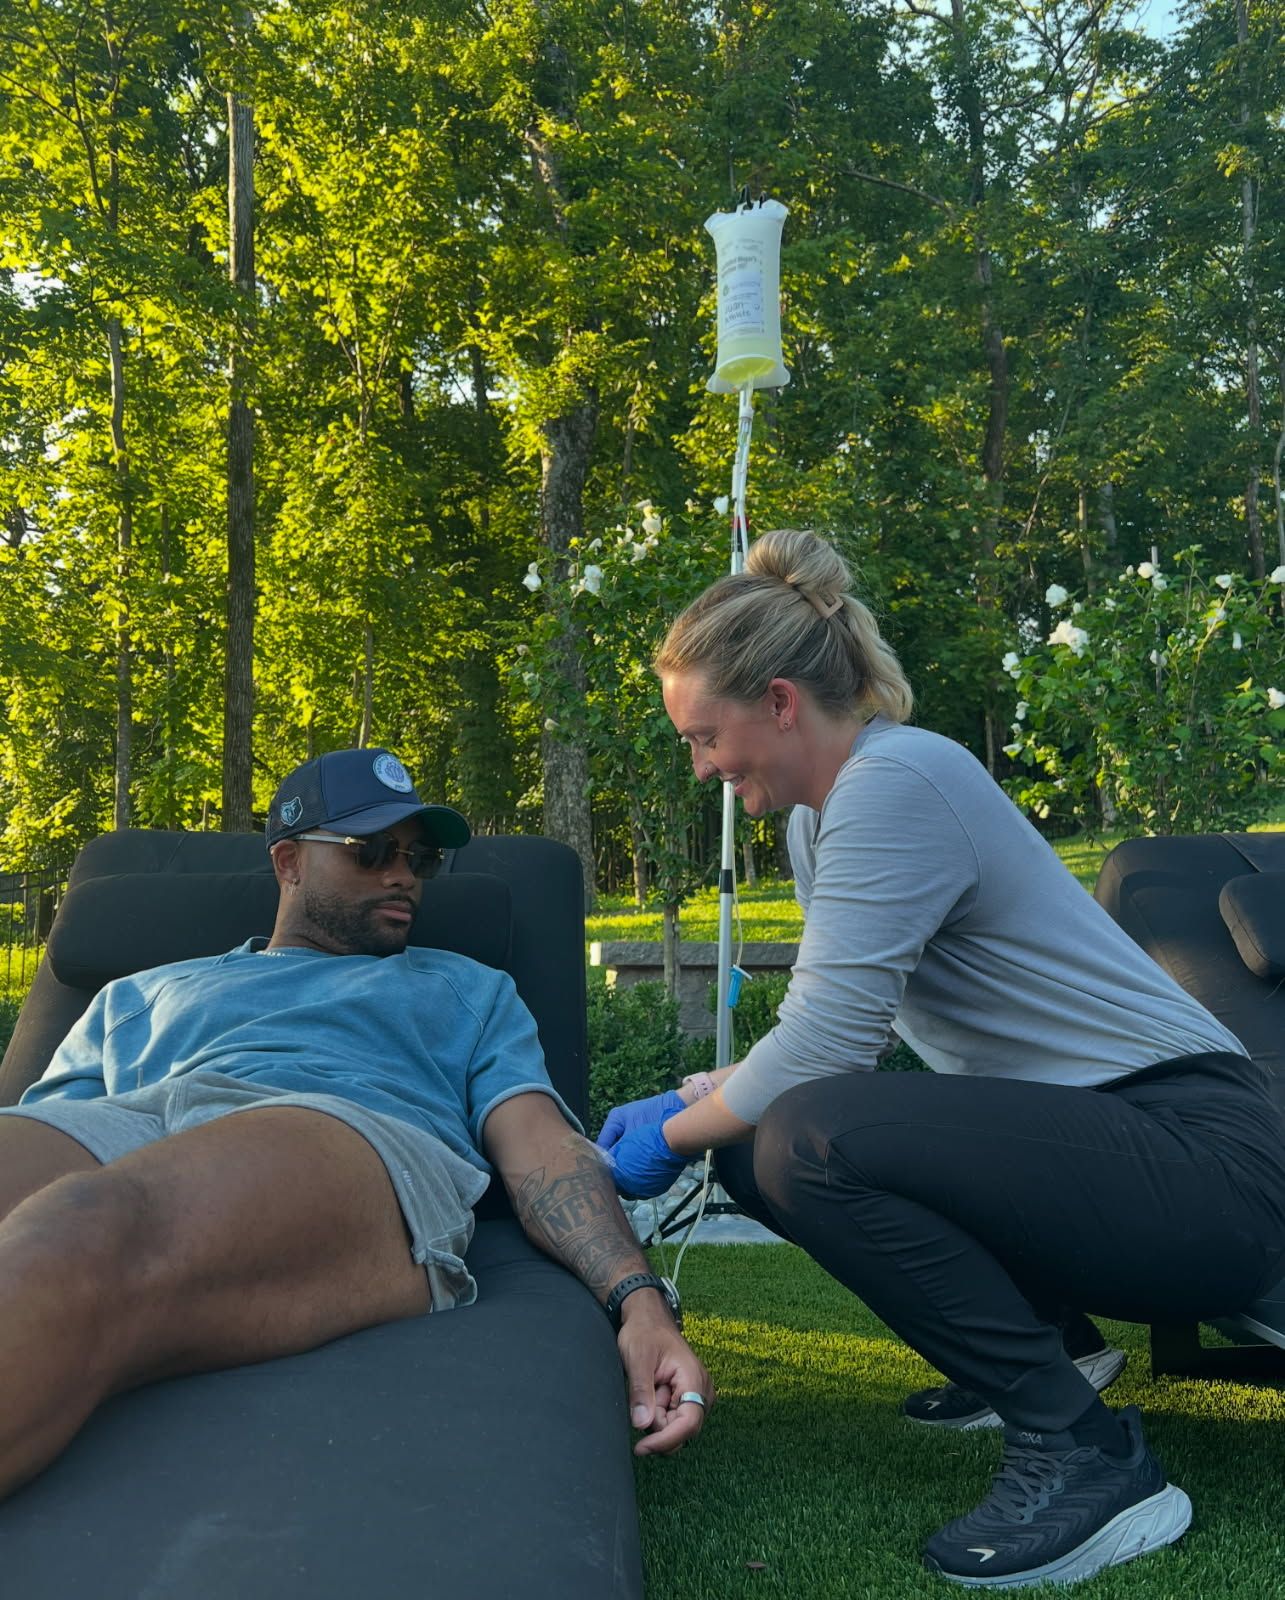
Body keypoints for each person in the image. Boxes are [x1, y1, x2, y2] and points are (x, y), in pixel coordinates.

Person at [598, 528, 1285, 1590]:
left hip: (1204, 1157)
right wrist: (703, 1102)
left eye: (704, 735)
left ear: (779, 702)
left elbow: (824, 1054)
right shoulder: (819, 823)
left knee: (802, 1138)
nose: (701, 766)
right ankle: (1054, 1349)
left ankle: (1088, 1456)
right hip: (1118, 1155)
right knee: (757, 1142)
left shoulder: (898, 781)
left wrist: (660, 1138)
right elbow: (845, 1033)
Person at [0, 746, 710, 1503]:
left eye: (419, 857)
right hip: (135, 1119)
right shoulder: (137, 994)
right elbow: (48, 1125)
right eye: (371, 851)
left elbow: (540, 1148)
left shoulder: (469, 990)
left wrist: (638, 1303)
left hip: (341, 1127)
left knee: (82, 1223)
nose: (401, 874)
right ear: (288, 862)